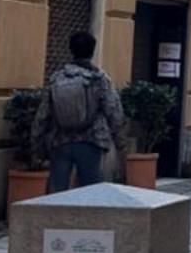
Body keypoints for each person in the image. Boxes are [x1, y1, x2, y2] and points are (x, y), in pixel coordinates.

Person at [35, 31, 127, 193]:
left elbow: (42, 116)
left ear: (71, 50)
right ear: (93, 51)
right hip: (91, 141)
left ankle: (55, 218)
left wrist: (37, 145)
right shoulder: (99, 79)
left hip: (60, 141)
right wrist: (120, 143)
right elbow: (114, 111)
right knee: (90, 193)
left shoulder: (57, 78)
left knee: (57, 193)